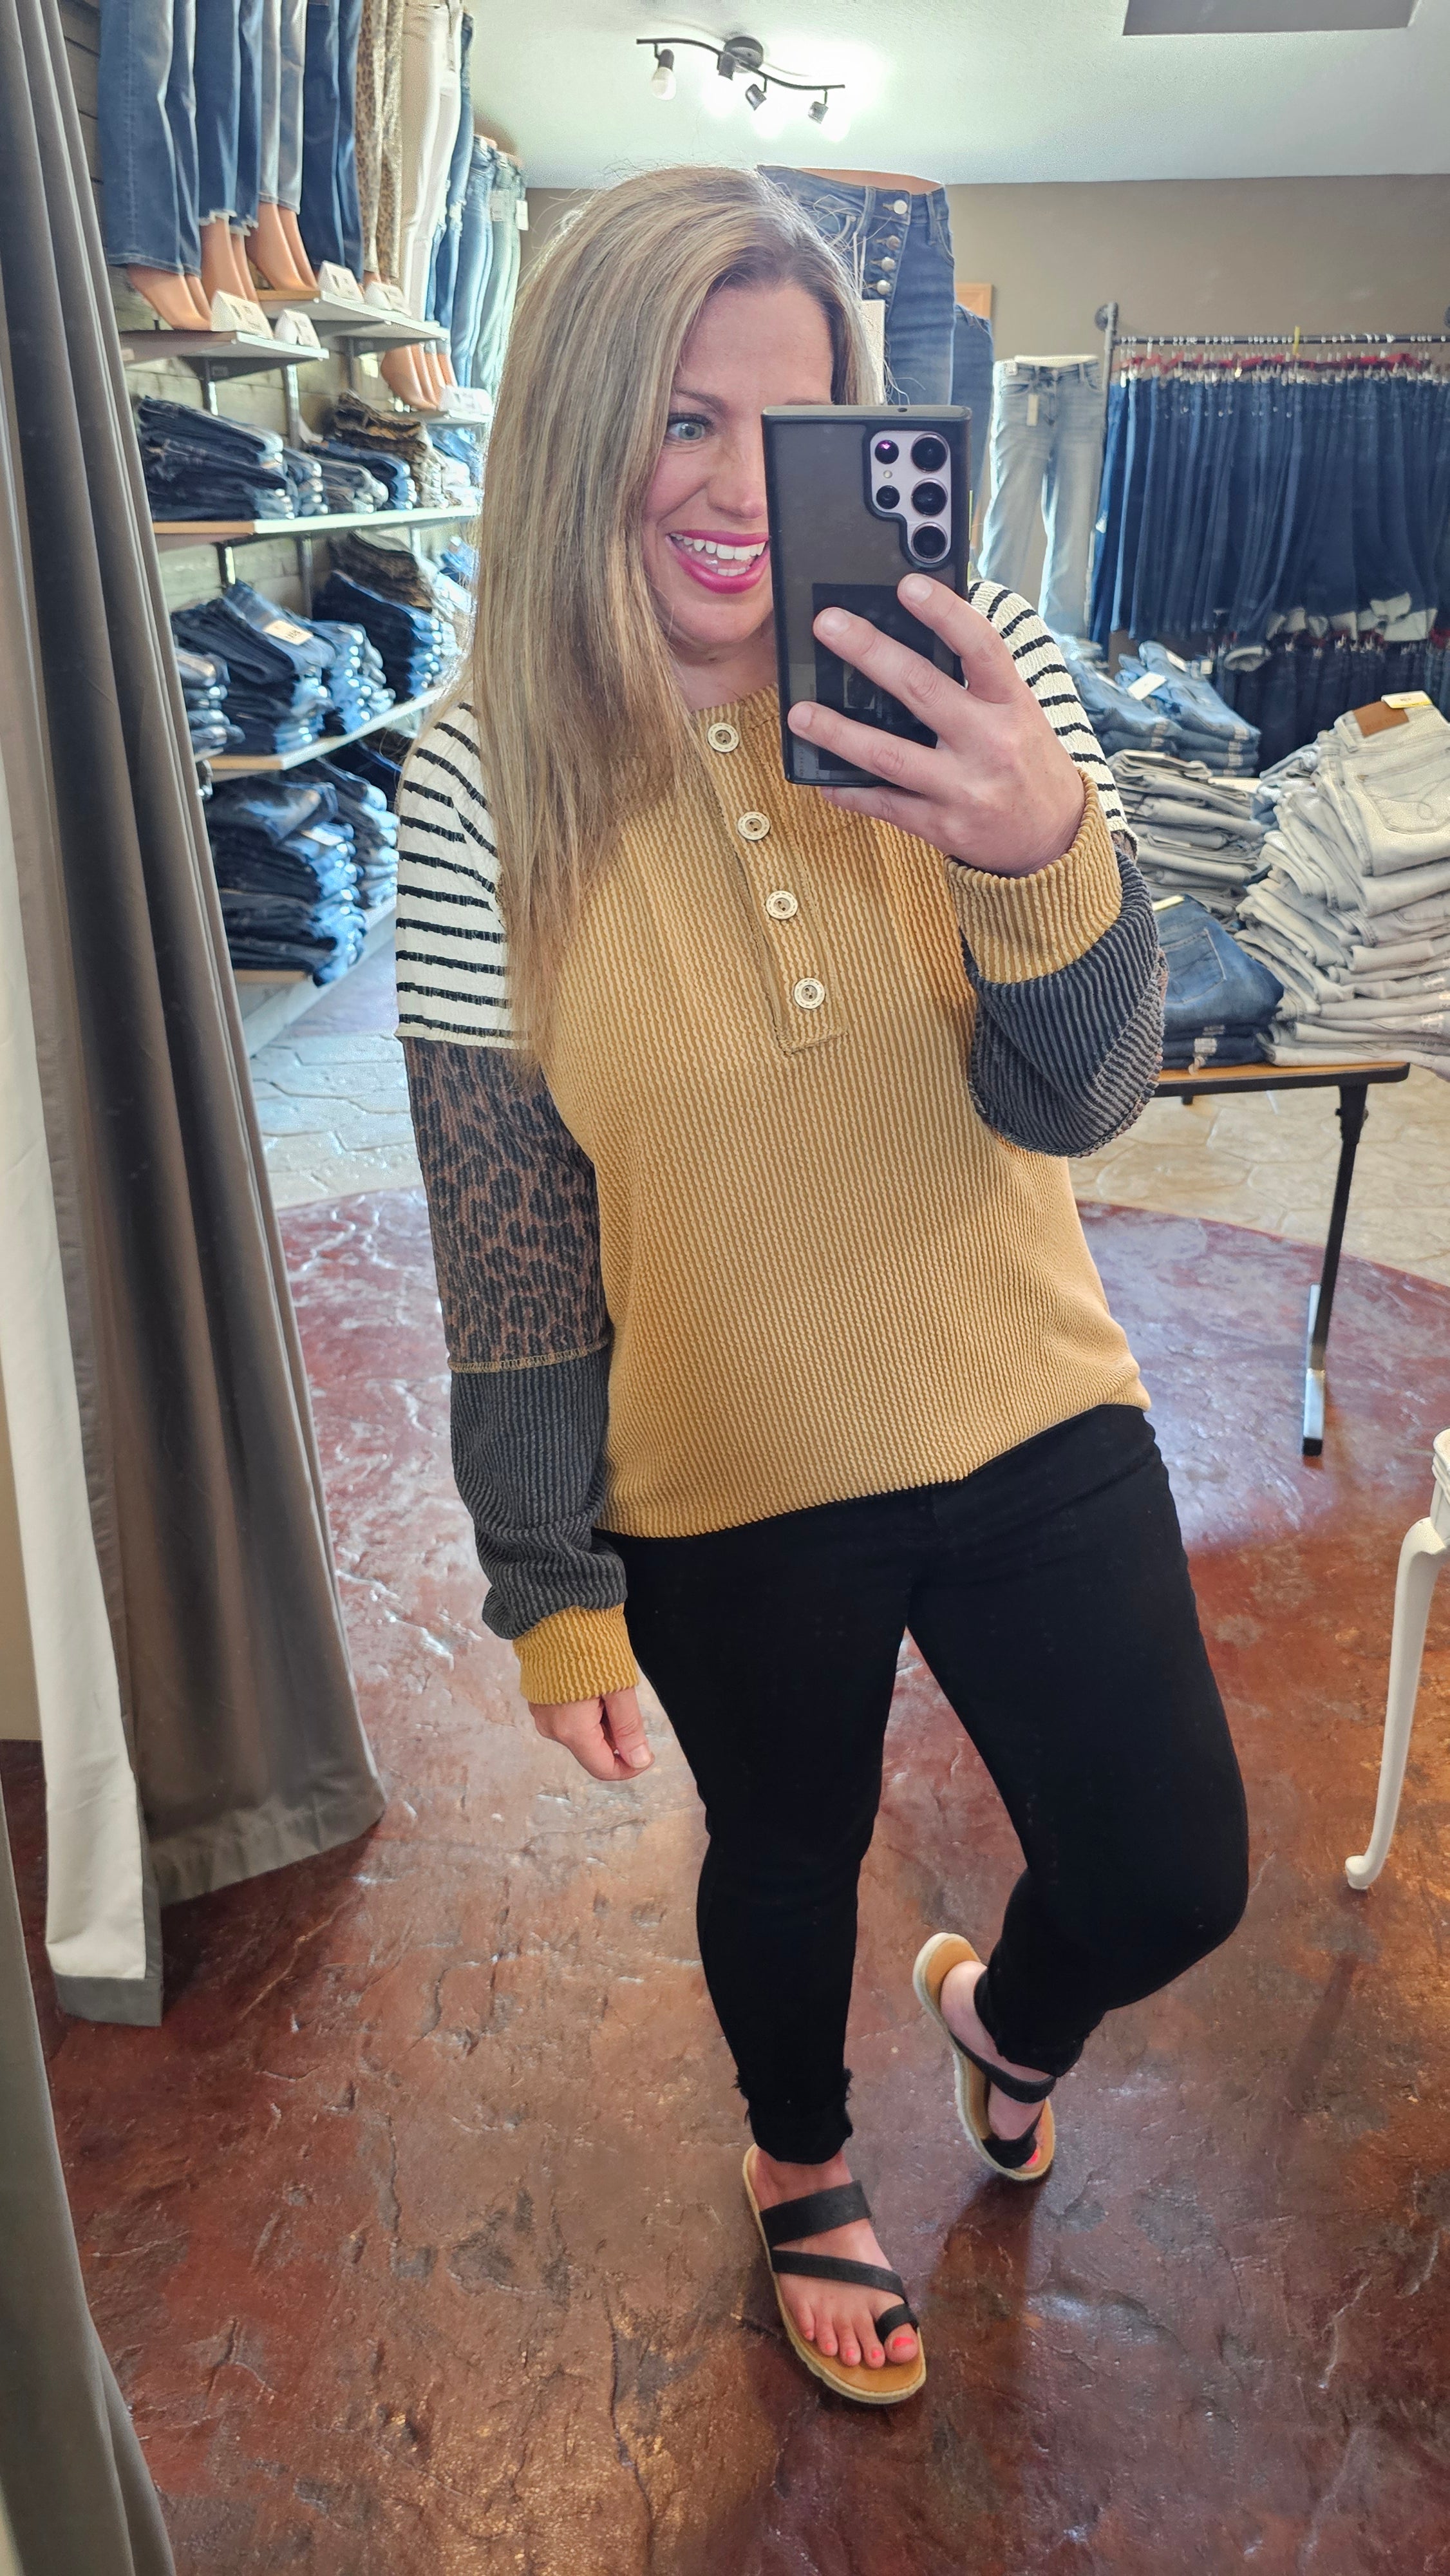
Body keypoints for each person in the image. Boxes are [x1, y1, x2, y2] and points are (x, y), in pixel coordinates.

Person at [395, 166, 1248, 2407]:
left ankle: (1004, 2026)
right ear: (577, 426)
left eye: (789, 431)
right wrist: (543, 1578)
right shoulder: (478, 773)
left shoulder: (982, 663)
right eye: (677, 420)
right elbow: (506, 1222)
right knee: (783, 1861)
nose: (730, 491)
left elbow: (1083, 1101)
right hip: (727, 1467)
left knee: (1166, 1872)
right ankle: (799, 2158)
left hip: (1023, 1395)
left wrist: (1034, 844)